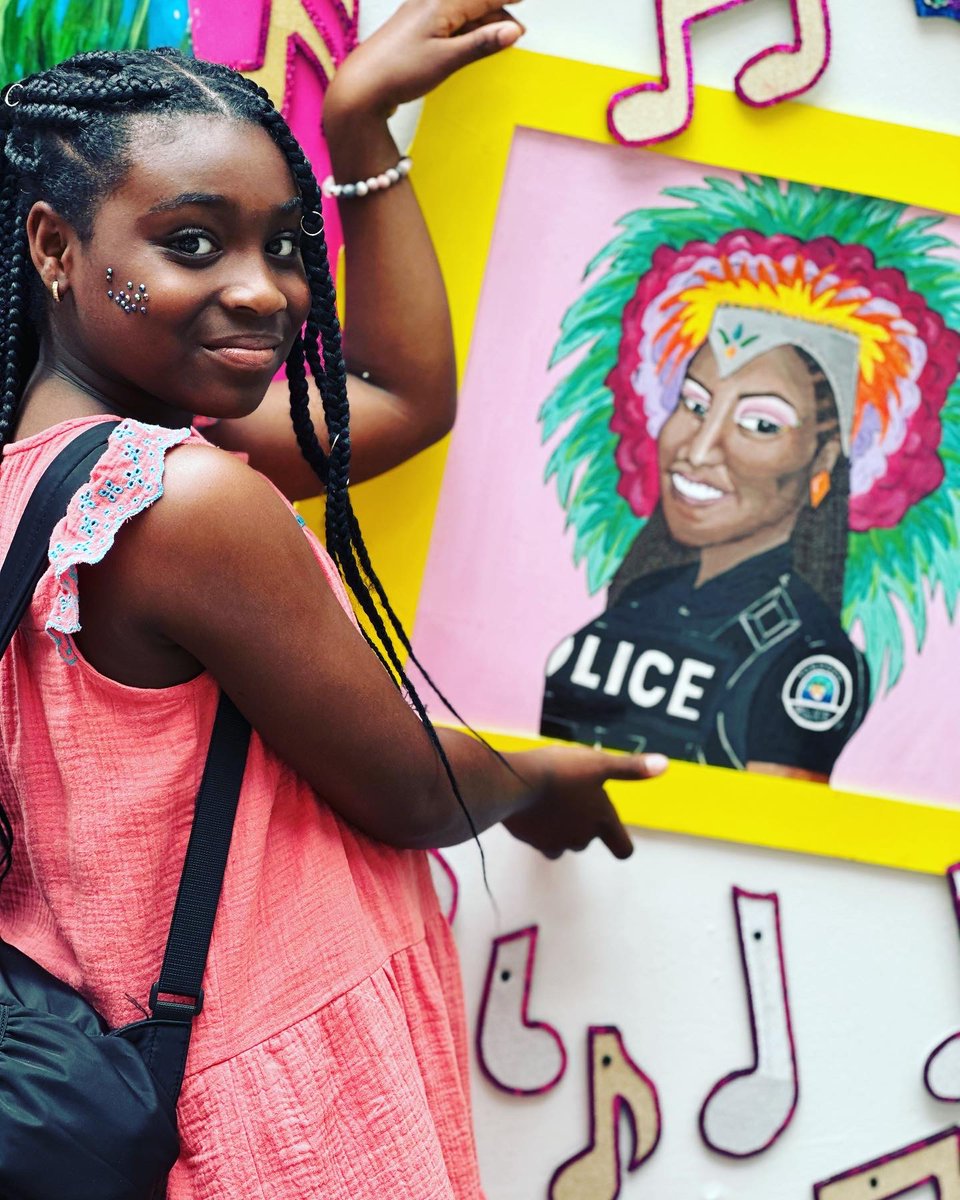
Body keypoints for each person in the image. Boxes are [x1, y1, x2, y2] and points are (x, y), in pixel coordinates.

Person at [0, 10, 668, 1198]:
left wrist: (359, 130)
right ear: (55, 246)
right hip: (258, 1091)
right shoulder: (186, 504)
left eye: (286, 246)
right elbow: (410, 788)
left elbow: (396, 397)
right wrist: (536, 778)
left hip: (120, 1072)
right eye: (194, 243)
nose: (264, 292)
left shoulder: (44, 483)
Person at [542, 305, 870, 780]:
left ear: (822, 460)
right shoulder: (640, 600)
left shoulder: (809, 657)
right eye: (694, 405)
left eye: (759, 424)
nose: (697, 449)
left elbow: (759, 833)